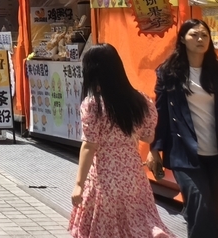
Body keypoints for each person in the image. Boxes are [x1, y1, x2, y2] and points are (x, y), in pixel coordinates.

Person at [148, 20, 218, 238]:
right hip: (183, 151)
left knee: (211, 208)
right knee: (202, 202)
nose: (200, 39)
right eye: (194, 35)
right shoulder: (168, 72)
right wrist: (154, 149)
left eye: (204, 35)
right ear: (182, 39)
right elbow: (160, 114)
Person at [68, 44, 171, 238]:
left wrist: (79, 184)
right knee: (137, 224)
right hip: (133, 176)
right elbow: (148, 136)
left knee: (105, 230)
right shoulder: (141, 100)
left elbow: (89, 146)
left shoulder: (93, 104)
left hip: (104, 178)